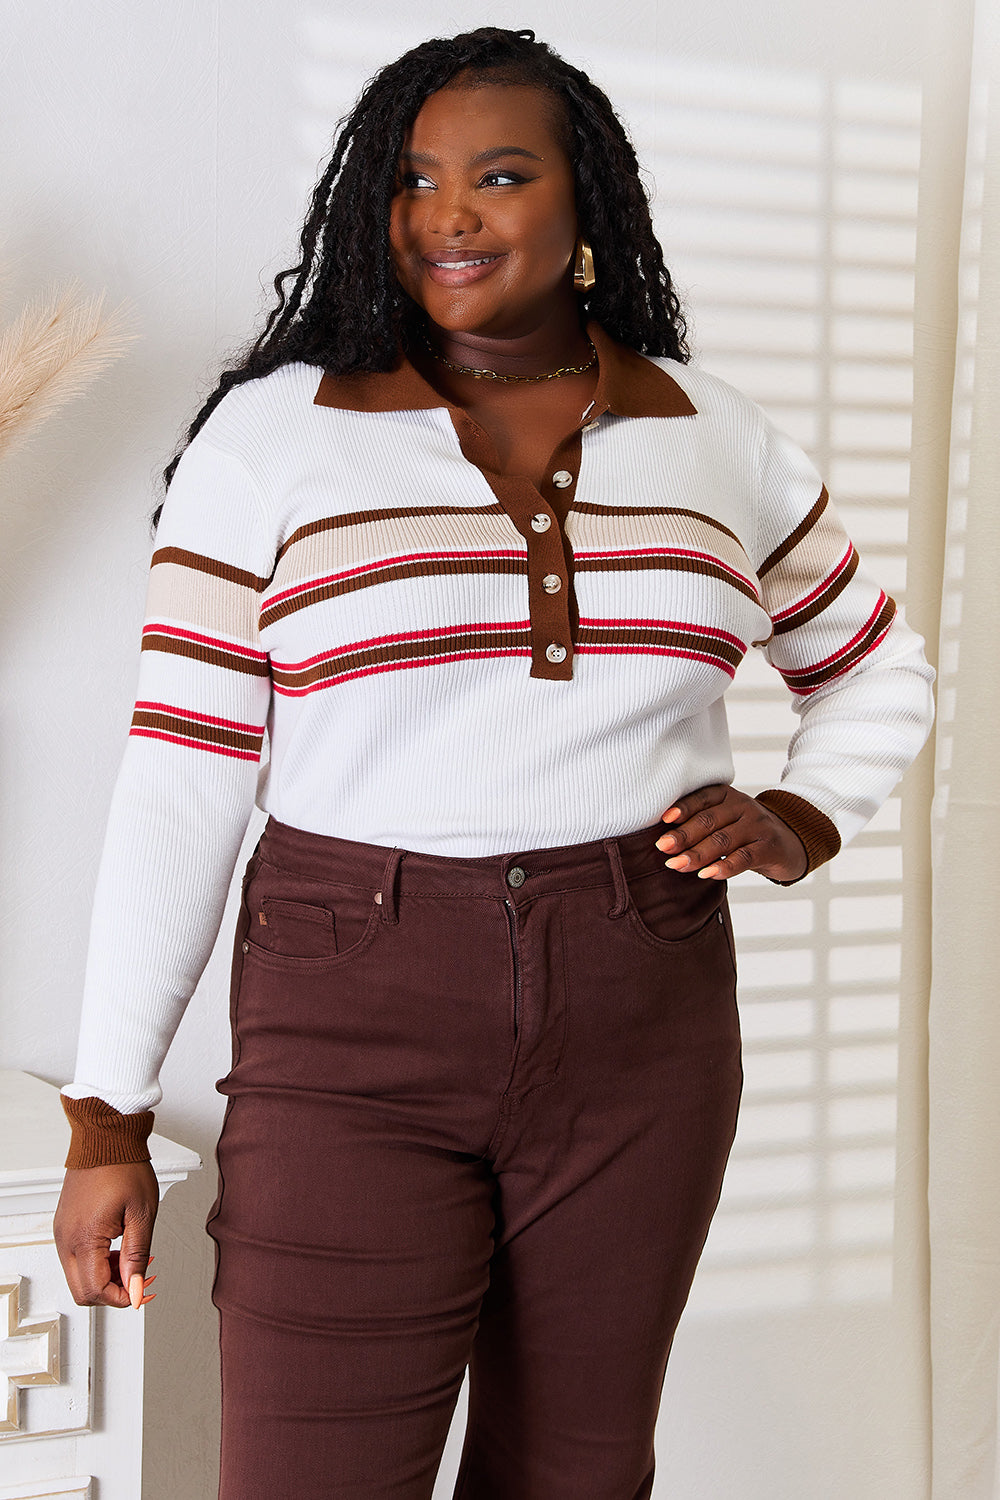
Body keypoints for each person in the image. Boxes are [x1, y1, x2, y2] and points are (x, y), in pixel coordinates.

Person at [52, 26, 934, 1500]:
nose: (448, 214)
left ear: (586, 201)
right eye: (411, 180)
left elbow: (876, 664)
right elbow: (183, 778)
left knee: (579, 1475)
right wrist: (106, 1116)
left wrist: (799, 812)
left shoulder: (715, 437)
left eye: (501, 175)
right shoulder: (271, 443)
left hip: (639, 1000)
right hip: (351, 1013)